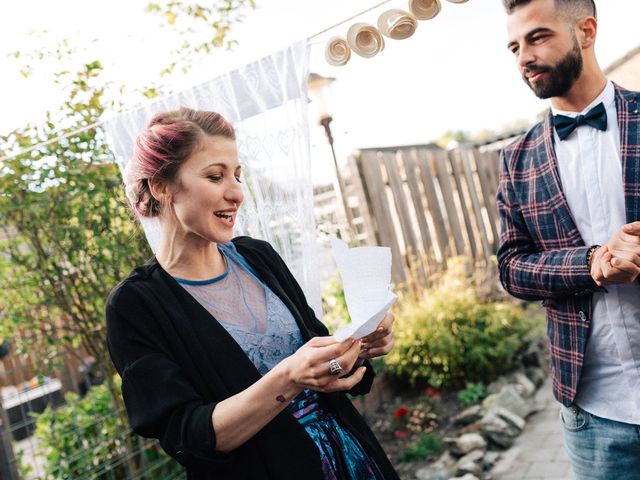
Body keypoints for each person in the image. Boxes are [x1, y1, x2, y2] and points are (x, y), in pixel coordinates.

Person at [106, 107, 400, 480]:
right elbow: (187, 437)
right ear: (161, 186)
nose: (236, 193)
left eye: (238, 176)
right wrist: (289, 378)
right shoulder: (135, 306)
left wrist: (356, 346)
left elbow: (317, 347)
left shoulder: (257, 256)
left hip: (353, 459)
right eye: (215, 176)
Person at [497, 0, 640, 478]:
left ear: (586, 31)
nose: (523, 57)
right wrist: (590, 262)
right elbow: (512, 267)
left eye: (538, 38)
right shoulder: (516, 159)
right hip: (594, 415)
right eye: (514, 46)